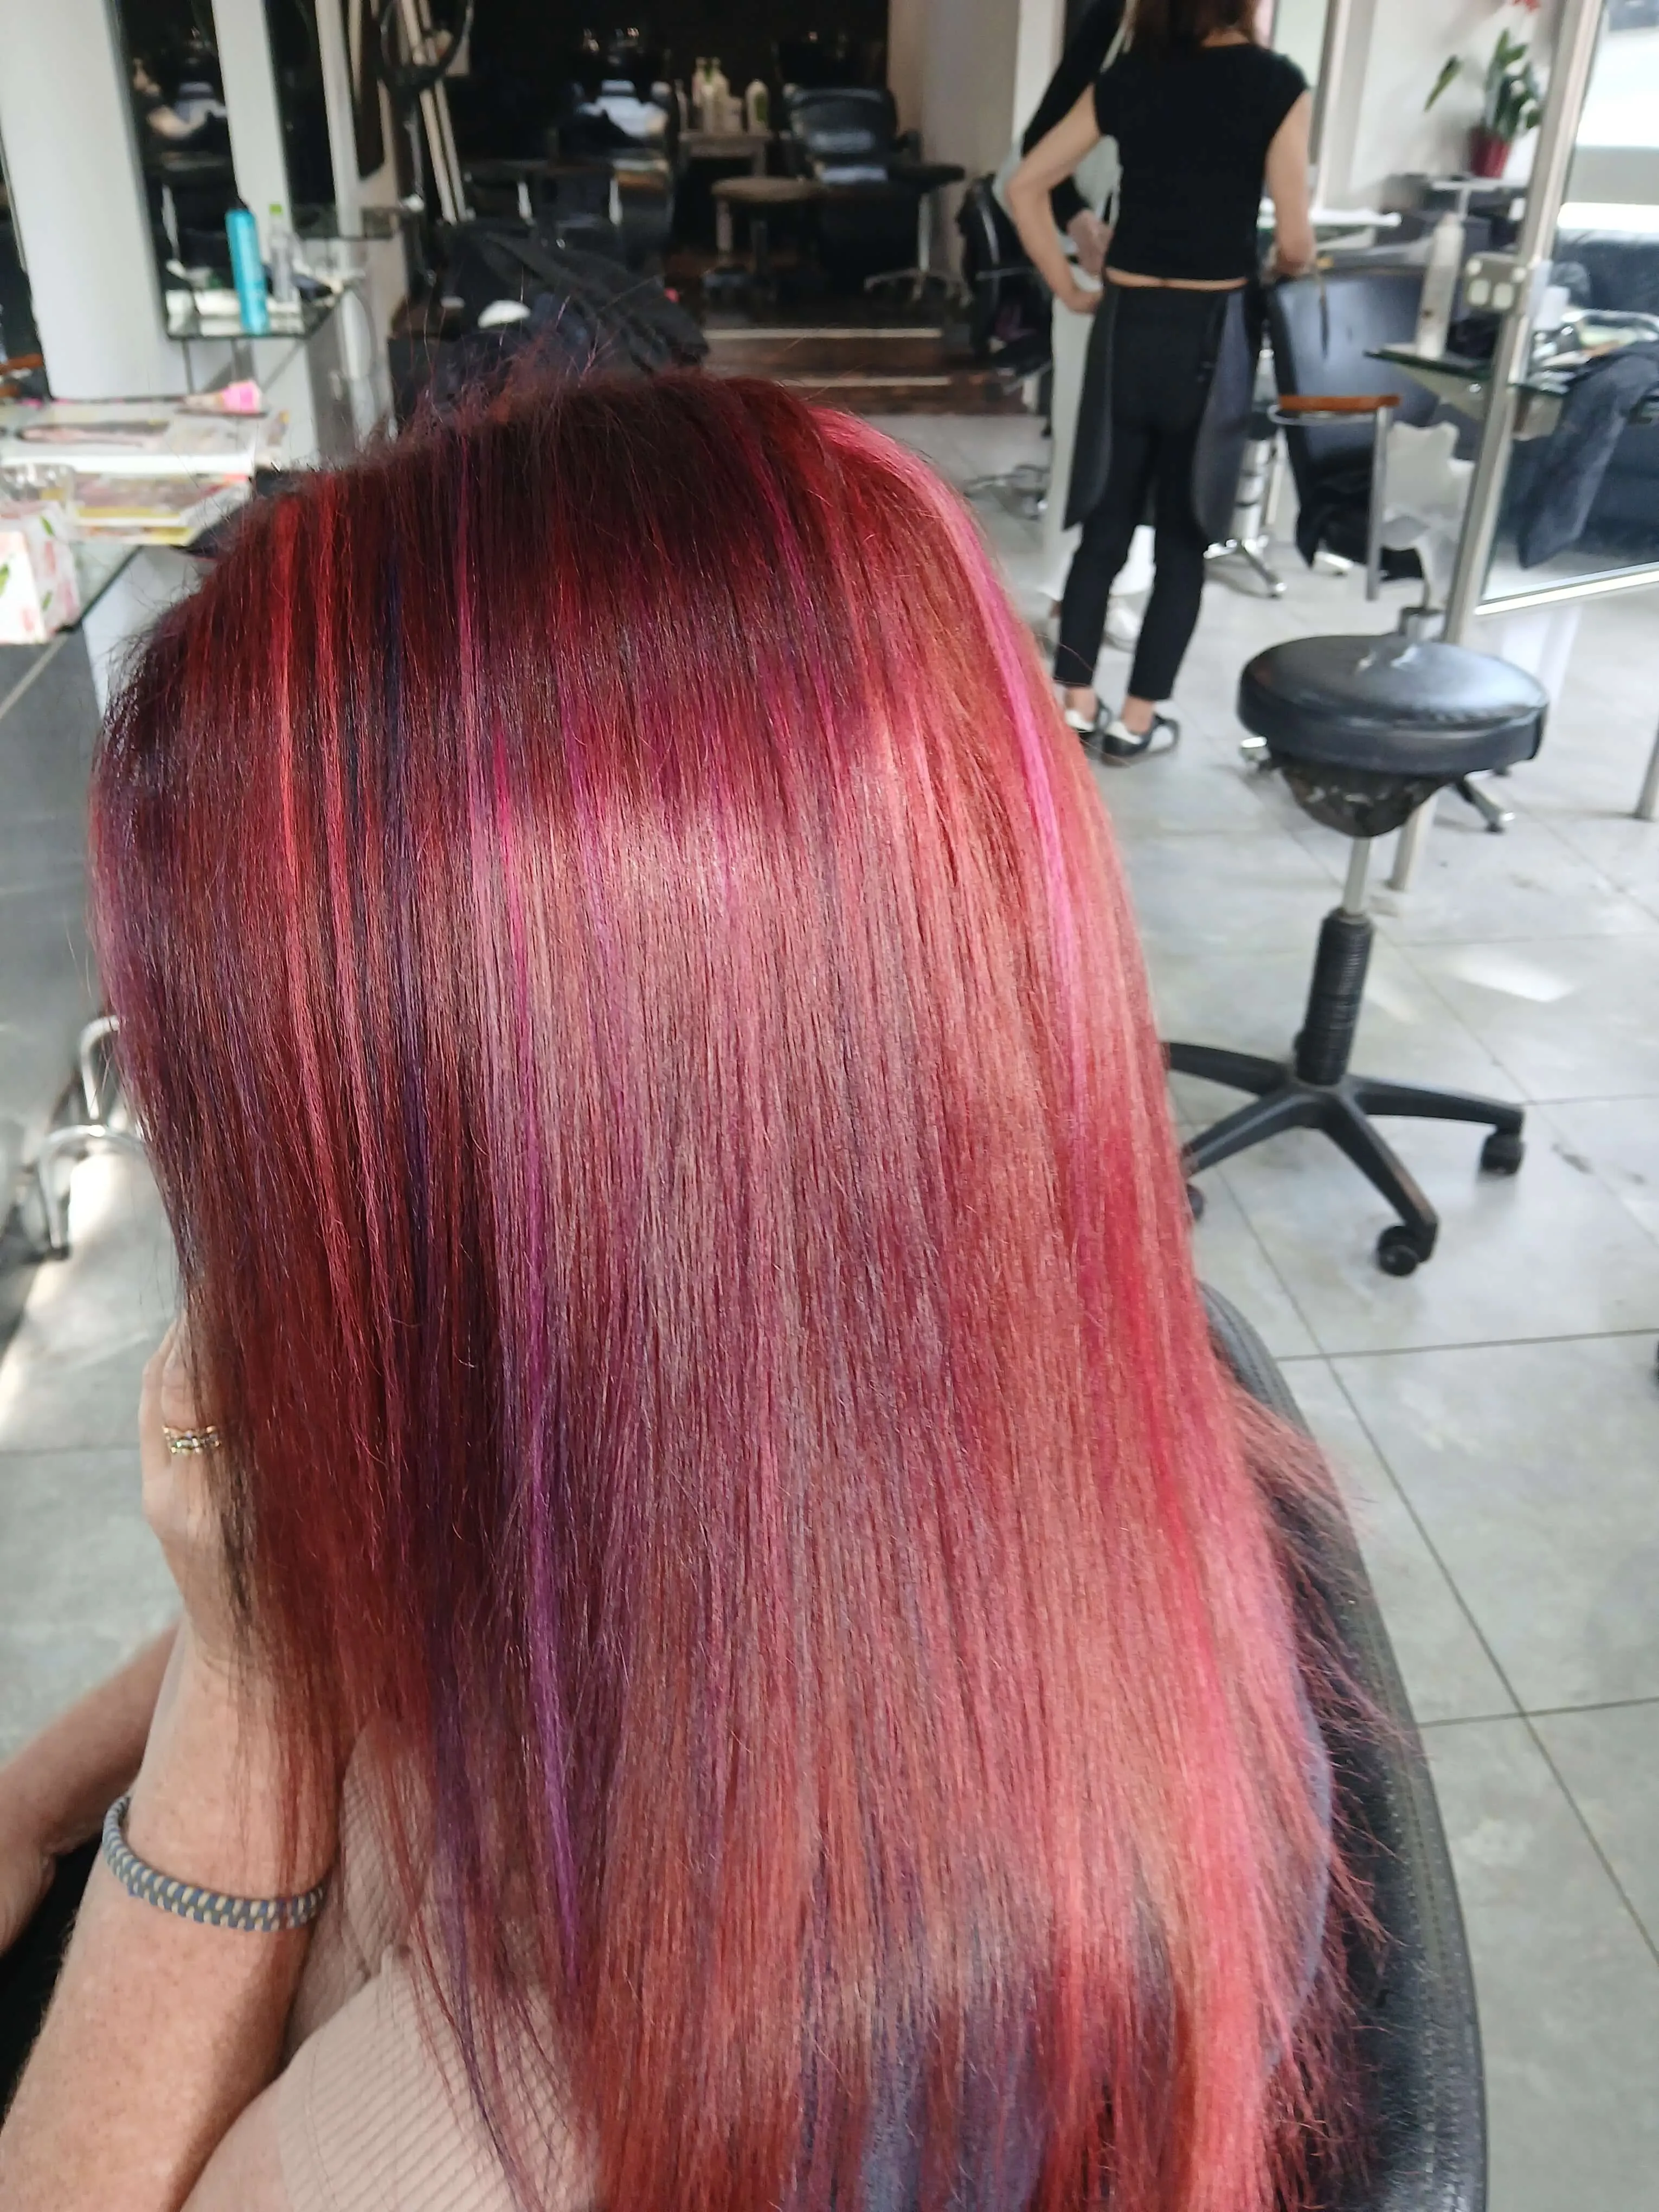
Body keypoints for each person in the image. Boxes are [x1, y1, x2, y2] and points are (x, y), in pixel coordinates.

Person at [0, 374, 1352, 2212]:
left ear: (490, 1237)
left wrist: (238, 1697)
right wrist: (40, 1793)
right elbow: (434, 1551)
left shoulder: (571, 2109)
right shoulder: (953, 1431)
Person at [1008, 0, 1316, 761]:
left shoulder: (1130, 77)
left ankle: (1076, 706)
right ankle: (1136, 723)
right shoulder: (1277, 85)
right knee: (1185, 538)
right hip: (1214, 339)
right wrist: (1280, 268)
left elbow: (1026, 185)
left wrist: (1071, 288)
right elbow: (1299, 242)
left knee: (1104, 528)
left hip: (1128, 328)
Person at [1009, 0, 1150, 653]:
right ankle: (1070, 590)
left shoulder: (1232, 53)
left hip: (1167, 279)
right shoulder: (1111, 31)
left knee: (1147, 443)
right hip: (1094, 270)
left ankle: (1124, 586)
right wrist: (1078, 222)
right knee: (1084, 434)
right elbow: (1038, 152)